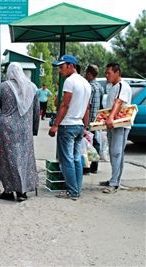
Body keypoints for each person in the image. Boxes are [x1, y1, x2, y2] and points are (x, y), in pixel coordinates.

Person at [0, 62, 40, 202]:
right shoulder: (32, 87)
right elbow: (36, 111)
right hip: (26, 129)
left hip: (8, 129)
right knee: (24, 158)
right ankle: (23, 191)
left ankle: (9, 191)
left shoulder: (3, 87)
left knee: (8, 159)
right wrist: (34, 129)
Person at [49, 55, 91, 201]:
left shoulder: (70, 81)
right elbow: (87, 109)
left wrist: (55, 125)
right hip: (79, 125)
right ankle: (77, 189)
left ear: (70, 65)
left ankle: (72, 191)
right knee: (77, 158)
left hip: (68, 125)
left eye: (62, 67)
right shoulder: (86, 83)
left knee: (67, 160)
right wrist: (85, 127)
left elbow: (65, 104)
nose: (60, 71)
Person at [99, 63, 132, 194]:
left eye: (109, 73)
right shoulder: (111, 86)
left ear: (117, 72)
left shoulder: (122, 86)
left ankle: (114, 183)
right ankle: (114, 179)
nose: (107, 76)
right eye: (106, 73)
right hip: (111, 123)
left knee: (117, 153)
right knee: (113, 152)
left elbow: (118, 102)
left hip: (120, 125)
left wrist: (110, 117)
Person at [84, 64, 104, 174]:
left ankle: (86, 167)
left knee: (86, 143)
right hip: (95, 119)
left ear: (89, 74)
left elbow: (87, 105)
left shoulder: (89, 87)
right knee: (95, 142)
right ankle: (95, 165)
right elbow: (101, 104)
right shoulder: (99, 87)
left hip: (88, 120)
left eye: (86, 73)